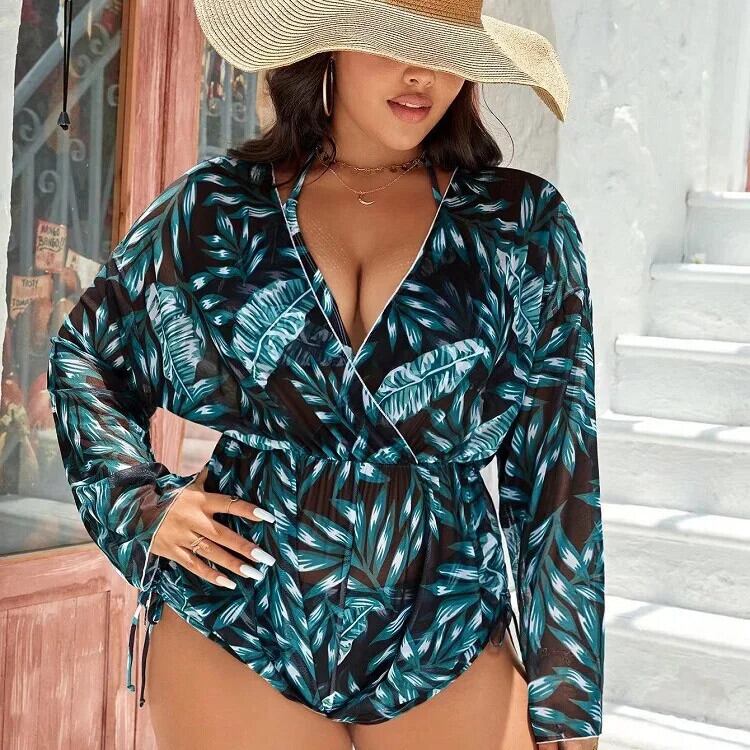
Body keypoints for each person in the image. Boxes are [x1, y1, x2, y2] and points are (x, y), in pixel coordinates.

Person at [47, 1, 604, 748]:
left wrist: (568, 691)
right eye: (393, 44)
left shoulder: (520, 225)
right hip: (239, 613)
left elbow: (559, 466)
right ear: (330, 45)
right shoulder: (219, 206)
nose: (422, 74)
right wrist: (140, 502)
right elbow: (87, 355)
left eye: (445, 50)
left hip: (444, 620)